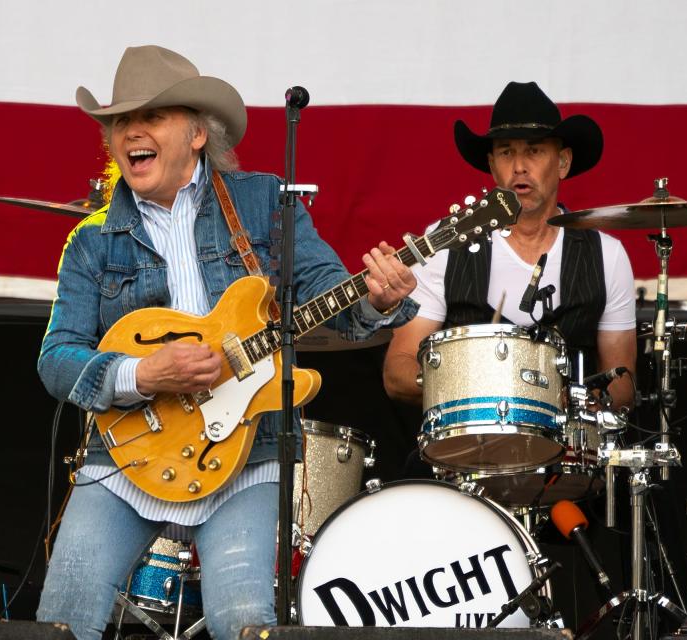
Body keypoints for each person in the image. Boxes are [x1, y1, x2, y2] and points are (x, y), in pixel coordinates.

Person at [36, 45, 417, 640]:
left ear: (195, 135)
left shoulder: (266, 203)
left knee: (246, 625)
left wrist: (376, 299)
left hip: (249, 454)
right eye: (119, 122)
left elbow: (325, 295)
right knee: (62, 621)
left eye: (151, 117)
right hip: (127, 456)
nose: (130, 131)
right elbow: (56, 360)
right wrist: (143, 374)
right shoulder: (89, 241)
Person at [383, 81, 636, 410]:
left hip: (568, 452)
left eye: (534, 150)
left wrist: (574, 407)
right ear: (492, 165)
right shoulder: (445, 244)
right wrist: (463, 382)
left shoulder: (606, 255)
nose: (519, 166)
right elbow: (397, 372)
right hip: (466, 450)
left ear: (562, 162)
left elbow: (622, 385)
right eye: (506, 152)